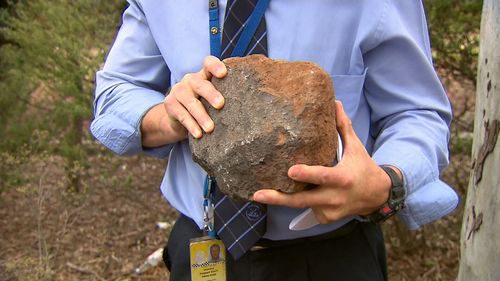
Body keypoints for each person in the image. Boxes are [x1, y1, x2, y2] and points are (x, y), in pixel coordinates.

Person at [90, 1, 458, 280]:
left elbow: (418, 113)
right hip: (202, 253)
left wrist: (386, 181)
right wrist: (168, 117)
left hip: (332, 258)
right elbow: (116, 93)